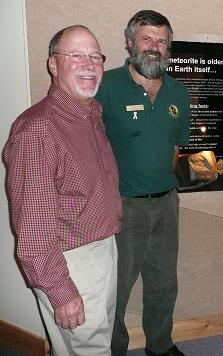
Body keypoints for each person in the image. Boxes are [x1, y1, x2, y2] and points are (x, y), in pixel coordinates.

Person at [3, 25, 122, 355]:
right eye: (76, 55)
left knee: (83, 344)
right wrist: (60, 289)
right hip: (71, 259)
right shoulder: (37, 130)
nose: (89, 63)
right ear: (53, 64)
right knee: (89, 348)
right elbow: (33, 229)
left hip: (99, 249)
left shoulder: (89, 114)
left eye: (95, 56)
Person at [95, 10, 190, 356]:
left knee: (164, 283)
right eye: (147, 39)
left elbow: (176, 149)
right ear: (130, 41)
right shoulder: (106, 85)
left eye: (161, 41)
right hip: (123, 207)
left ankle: (161, 345)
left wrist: (163, 186)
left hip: (166, 204)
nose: (154, 47)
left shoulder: (179, 93)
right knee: (116, 289)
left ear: (168, 48)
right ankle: (113, 349)